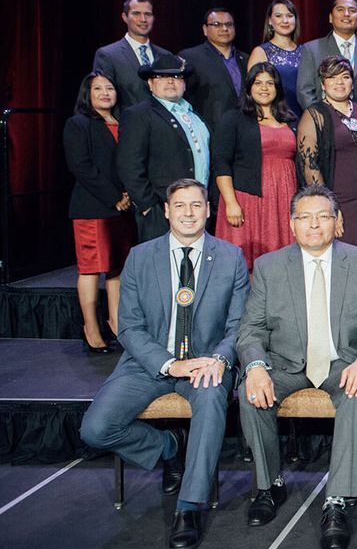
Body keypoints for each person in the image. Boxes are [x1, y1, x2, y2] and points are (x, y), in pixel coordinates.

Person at [80, 179, 248, 549]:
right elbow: (129, 327)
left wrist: (220, 359)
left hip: (206, 363)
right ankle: (168, 448)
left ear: (208, 210)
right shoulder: (140, 256)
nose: (188, 212)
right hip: (148, 363)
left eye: (196, 205)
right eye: (180, 205)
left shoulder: (230, 257)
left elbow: (239, 325)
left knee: (209, 400)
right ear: (167, 211)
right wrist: (168, 364)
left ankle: (188, 507)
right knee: (95, 428)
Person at [237, 184, 357, 549]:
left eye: (323, 216)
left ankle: (338, 500)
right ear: (291, 224)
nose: (313, 225)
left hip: (342, 363)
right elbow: (250, 329)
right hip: (287, 363)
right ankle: (268, 484)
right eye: (304, 217)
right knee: (249, 389)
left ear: (338, 223)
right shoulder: (270, 267)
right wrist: (255, 366)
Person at [64, 72, 135, 352]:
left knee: (116, 269)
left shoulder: (125, 123)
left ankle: (116, 324)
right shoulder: (79, 124)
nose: (105, 93)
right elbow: (80, 167)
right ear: (87, 94)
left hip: (124, 208)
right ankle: (91, 328)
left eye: (110, 88)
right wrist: (114, 197)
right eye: (98, 88)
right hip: (93, 207)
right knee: (92, 268)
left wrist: (128, 196)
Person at [116, 54, 209, 243]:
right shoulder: (138, 115)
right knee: (161, 268)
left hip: (198, 209)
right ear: (150, 83)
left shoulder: (195, 115)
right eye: (161, 77)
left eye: (176, 77)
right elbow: (129, 165)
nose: (170, 81)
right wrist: (148, 206)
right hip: (160, 210)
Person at [213, 62, 297, 271]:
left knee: (282, 263)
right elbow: (222, 162)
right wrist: (231, 203)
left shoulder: (290, 119)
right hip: (248, 200)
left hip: (284, 198)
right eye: (258, 83)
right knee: (245, 265)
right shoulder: (234, 118)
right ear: (249, 87)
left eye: (270, 83)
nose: (264, 88)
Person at [296, 56, 357, 246]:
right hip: (338, 201)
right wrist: (329, 208)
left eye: (345, 77)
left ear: (352, 83)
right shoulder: (314, 115)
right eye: (332, 77)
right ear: (323, 84)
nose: (339, 82)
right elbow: (310, 166)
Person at [297, 0, 357, 111]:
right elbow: (304, 91)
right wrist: (321, 118)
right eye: (340, 10)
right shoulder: (312, 49)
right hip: (326, 122)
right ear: (330, 17)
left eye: (352, 10)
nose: (346, 14)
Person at [93, 0, 171, 106]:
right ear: (125, 17)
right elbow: (102, 98)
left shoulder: (165, 55)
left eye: (148, 14)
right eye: (136, 13)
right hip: (126, 121)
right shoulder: (108, 55)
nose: (143, 19)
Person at [178, 8, 248, 129]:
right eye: (217, 24)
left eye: (229, 24)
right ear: (205, 29)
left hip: (245, 130)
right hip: (209, 130)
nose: (224, 29)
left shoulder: (247, 59)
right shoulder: (190, 57)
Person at [247, 0, 304, 117]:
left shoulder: (306, 51)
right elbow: (253, 92)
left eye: (289, 16)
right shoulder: (260, 52)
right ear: (269, 21)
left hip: (304, 115)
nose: (285, 20)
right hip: (274, 118)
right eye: (278, 16)